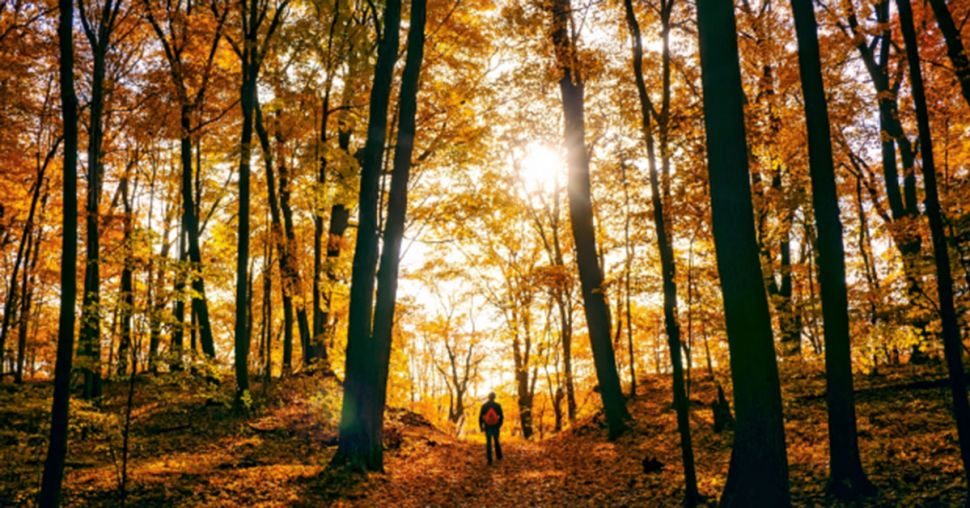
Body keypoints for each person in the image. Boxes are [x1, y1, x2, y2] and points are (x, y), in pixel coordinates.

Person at [479, 392, 504, 464]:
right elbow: (501, 416)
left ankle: (489, 459)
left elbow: (480, 417)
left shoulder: (484, 406)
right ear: (494, 397)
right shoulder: (497, 405)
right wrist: (499, 424)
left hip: (487, 426)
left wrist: (481, 427)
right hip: (496, 426)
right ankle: (499, 456)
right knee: (496, 440)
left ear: (488, 397)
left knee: (488, 442)